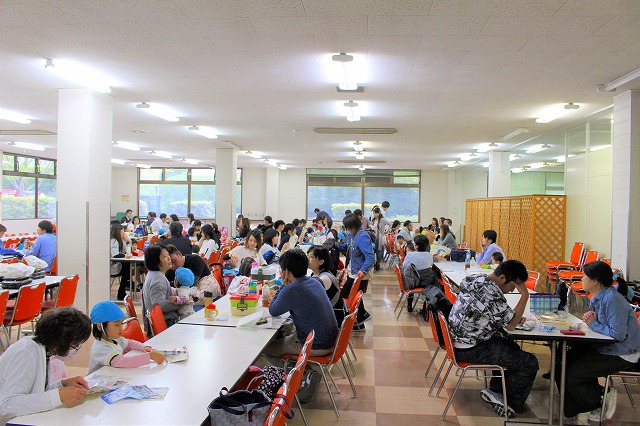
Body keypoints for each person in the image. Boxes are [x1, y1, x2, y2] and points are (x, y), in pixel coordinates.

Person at [448, 260, 537, 418]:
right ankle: (509, 403)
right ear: (502, 278)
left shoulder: (478, 280)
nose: (512, 290)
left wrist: (511, 317)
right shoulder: (491, 293)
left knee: (511, 347)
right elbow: (511, 325)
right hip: (471, 349)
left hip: (459, 341)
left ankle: (496, 391)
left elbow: (496, 315)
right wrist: (524, 296)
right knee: (529, 362)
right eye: (514, 286)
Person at [556, 261, 640, 421]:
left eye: (584, 276)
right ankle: (574, 409)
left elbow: (618, 334)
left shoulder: (613, 299)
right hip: (606, 347)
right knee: (564, 362)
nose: (582, 279)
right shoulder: (599, 297)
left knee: (574, 374)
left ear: (595, 281)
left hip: (622, 353)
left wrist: (593, 323)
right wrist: (592, 319)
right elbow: (603, 323)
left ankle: (602, 396)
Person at [0, 307, 92, 424]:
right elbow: (7, 405)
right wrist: (58, 396)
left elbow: (35, 391)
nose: (77, 348)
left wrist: (62, 384)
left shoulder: (43, 349)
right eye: (75, 343)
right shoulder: (26, 352)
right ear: (61, 340)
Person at [265, 249, 338, 358]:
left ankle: (290, 368)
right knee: (286, 330)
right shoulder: (314, 281)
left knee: (265, 350)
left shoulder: (292, 289)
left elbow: (273, 310)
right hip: (330, 340)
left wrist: (284, 284)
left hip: (315, 345)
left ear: (286, 271)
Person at [88, 301, 165, 374]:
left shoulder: (115, 339)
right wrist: (148, 357)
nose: (121, 328)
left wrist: (144, 348)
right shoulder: (100, 348)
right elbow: (121, 362)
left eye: (121, 324)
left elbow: (130, 343)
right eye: (117, 325)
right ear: (100, 327)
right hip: (96, 381)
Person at [335, 213, 374, 329]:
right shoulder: (353, 235)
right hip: (354, 271)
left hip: (360, 272)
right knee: (354, 296)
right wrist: (334, 243)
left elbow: (370, 256)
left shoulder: (362, 236)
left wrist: (363, 270)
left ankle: (361, 316)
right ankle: (359, 322)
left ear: (352, 226)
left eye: (347, 227)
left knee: (346, 294)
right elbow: (346, 247)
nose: (347, 230)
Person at [142, 244, 180, 329]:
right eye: (165, 256)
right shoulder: (158, 279)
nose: (169, 258)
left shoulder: (153, 274)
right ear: (155, 261)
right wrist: (180, 302)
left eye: (168, 255)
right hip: (165, 324)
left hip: (163, 321)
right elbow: (159, 305)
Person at [402, 234, 435, 311]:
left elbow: (404, 266)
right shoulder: (429, 255)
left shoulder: (410, 255)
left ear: (416, 246)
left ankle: (409, 304)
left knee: (410, 275)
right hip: (426, 283)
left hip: (412, 283)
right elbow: (430, 265)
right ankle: (426, 306)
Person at [308, 245, 341, 316]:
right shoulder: (316, 274)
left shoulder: (324, 278)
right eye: (308, 256)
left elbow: (309, 298)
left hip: (334, 315)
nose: (307, 259)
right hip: (328, 312)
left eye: (311, 257)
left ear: (321, 262)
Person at [110, 223, 131, 301]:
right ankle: (123, 290)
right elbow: (115, 255)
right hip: (112, 267)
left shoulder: (119, 241)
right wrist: (125, 255)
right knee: (126, 269)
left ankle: (123, 289)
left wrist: (128, 241)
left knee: (127, 267)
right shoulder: (113, 241)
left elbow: (125, 251)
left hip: (116, 265)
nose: (124, 233)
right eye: (122, 231)